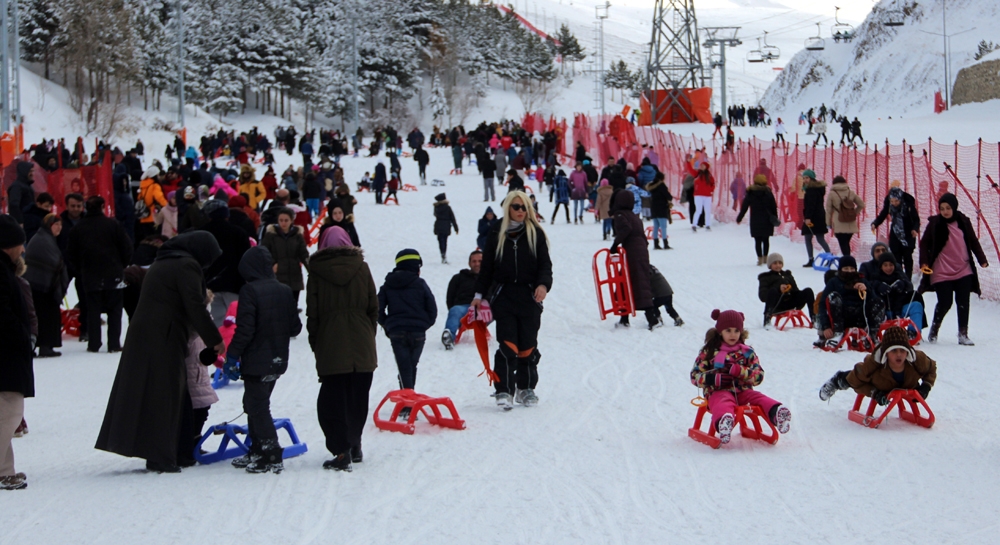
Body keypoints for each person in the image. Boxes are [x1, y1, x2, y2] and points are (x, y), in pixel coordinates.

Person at [95, 232, 226, 473]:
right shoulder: (186, 265)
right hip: (162, 337)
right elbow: (194, 305)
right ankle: (161, 456)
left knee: (164, 393)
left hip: (150, 335)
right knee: (164, 395)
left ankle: (178, 451)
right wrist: (215, 340)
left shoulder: (166, 261)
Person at [472, 191, 552, 410]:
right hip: (504, 296)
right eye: (516, 206)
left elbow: (545, 265)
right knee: (508, 344)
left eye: (524, 207)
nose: (520, 211)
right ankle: (503, 389)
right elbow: (486, 267)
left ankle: (526, 388)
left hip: (529, 297)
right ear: (508, 208)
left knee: (528, 346)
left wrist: (543, 285)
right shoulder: (497, 231)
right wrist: (479, 296)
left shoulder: (535, 232)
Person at [225, 246, 302, 474]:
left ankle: (271, 452)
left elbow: (245, 330)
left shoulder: (250, 291)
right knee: (253, 403)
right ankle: (257, 449)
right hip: (277, 359)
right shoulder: (285, 290)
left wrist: (232, 355)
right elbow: (295, 327)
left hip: (257, 359)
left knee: (258, 406)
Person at [308, 226, 378, 472]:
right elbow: (373, 306)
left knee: (331, 400)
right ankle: (354, 443)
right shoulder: (362, 267)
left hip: (331, 340)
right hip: (362, 341)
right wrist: (368, 333)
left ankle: (341, 450)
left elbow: (313, 313)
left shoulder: (316, 271)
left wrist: (316, 343)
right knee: (358, 397)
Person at [689, 309, 791, 444]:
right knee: (723, 401)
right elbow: (695, 375)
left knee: (758, 398)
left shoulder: (747, 352)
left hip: (743, 391)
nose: (733, 335)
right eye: (728, 330)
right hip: (717, 392)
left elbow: (758, 376)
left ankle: (777, 413)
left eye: (736, 331)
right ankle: (724, 423)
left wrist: (741, 372)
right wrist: (712, 379)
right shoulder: (709, 352)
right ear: (720, 331)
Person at [918, 193, 989, 345]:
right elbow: (924, 243)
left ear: (954, 207)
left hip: (963, 268)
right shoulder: (935, 223)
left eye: (948, 208)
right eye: (942, 208)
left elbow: (973, 241)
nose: (945, 211)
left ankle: (963, 334)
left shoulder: (963, 221)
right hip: (941, 269)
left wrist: (982, 259)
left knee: (963, 301)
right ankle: (934, 329)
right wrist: (924, 263)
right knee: (945, 302)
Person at [67, 196, 133, 353]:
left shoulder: (78, 228)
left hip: (90, 275)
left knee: (92, 310)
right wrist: (121, 265)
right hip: (113, 273)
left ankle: (94, 343)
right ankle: (114, 344)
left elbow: (71, 253)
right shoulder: (113, 225)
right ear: (102, 206)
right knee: (115, 311)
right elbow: (127, 247)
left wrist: (80, 269)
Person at [818, 326, 936, 404]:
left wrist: (926, 386)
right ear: (886, 353)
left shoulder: (917, 360)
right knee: (852, 378)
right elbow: (858, 384)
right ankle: (837, 380)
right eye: (894, 351)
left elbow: (931, 368)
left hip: (903, 384)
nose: (899, 355)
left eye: (902, 350)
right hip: (874, 382)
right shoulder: (873, 364)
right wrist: (874, 393)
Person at [378, 249, 437, 402]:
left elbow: (376, 308)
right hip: (418, 332)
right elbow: (432, 308)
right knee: (411, 366)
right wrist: (424, 324)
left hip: (397, 331)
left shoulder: (388, 284)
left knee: (404, 367)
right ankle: (409, 401)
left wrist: (387, 324)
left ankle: (407, 402)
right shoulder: (420, 283)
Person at [0, 215, 32, 490]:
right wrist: (24, 338)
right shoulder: (0, 272)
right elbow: (4, 316)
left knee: (6, 413)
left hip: (8, 354)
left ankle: (4, 471)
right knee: (8, 413)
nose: (22, 250)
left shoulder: (4, 269)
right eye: (19, 244)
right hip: (5, 356)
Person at [610, 190, 659, 330]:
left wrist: (615, 244)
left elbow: (626, 229)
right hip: (641, 250)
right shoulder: (634, 216)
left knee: (628, 282)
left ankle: (648, 317)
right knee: (636, 282)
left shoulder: (620, 215)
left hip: (632, 251)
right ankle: (627, 317)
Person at [199, 199, 252, 326]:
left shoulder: (201, 234)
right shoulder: (239, 232)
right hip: (235, 285)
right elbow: (247, 260)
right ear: (226, 214)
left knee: (216, 325)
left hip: (209, 286)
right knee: (236, 324)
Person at [22, 214, 68, 358]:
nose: (59, 228)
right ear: (49, 225)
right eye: (56, 225)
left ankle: (43, 345)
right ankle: (45, 346)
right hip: (42, 287)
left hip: (41, 285)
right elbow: (53, 262)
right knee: (45, 317)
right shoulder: (42, 239)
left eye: (61, 225)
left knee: (44, 316)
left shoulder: (45, 238)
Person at [815, 256, 885, 349]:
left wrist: (867, 290)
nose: (849, 271)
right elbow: (823, 304)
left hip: (860, 317)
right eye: (846, 268)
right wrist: (825, 326)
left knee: (878, 301)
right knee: (833, 297)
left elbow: (874, 300)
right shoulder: (834, 282)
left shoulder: (862, 281)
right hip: (841, 317)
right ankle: (838, 333)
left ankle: (872, 334)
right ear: (841, 269)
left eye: (852, 269)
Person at [261, 208, 309, 305]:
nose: (283, 223)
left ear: (291, 220)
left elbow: (303, 253)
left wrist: (311, 268)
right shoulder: (271, 235)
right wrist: (273, 263)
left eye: (286, 220)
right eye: (281, 220)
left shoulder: (297, 235)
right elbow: (264, 252)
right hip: (277, 276)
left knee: (293, 305)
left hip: (294, 275)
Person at [871, 186, 920, 277]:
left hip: (908, 235)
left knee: (907, 257)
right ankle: (899, 276)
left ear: (900, 199)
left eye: (896, 201)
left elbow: (916, 219)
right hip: (895, 233)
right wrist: (875, 223)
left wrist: (914, 229)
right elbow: (883, 214)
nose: (894, 203)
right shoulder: (890, 205)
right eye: (892, 201)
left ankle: (908, 278)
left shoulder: (908, 205)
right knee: (896, 257)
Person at [869, 251, 924, 331]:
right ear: (881, 266)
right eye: (885, 265)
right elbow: (868, 287)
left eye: (891, 265)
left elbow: (910, 287)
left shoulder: (899, 276)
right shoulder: (875, 277)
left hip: (899, 309)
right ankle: (873, 333)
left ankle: (913, 332)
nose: (888, 268)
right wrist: (878, 286)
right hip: (882, 312)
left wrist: (903, 284)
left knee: (916, 305)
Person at [758, 253, 815, 327]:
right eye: (775, 263)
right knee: (772, 291)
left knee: (808, 291)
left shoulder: (787, 275)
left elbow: (796, 291)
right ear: (770, 265)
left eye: (780, 263)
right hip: (777, 304)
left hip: (791, 302)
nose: (778, 265)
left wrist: (790, 288)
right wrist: (779, 289)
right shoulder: (765, 277)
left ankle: (815, 319)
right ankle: (767, 319)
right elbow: (763, 296)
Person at [442, 250, 481, 349]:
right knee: (455, 310)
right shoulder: (458, 278)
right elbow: (450, 297)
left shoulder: (491, 278)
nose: (477, 264)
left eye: (480, 261)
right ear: (469, 263)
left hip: (483, 308)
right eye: (474, 261)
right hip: (464, 307)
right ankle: (449, 336)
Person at [736, 174, 778, 265]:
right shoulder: (768, 193)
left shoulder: (750, 193)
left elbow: (744, 207)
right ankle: (765, 258)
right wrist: (775, 218)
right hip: (767, 220)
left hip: (755, 220)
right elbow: (774, 206)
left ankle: (759, 259)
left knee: (757, 240)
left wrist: (739, 218)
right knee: (766, 239)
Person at [826, 175, 865, 257]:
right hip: (851, 221)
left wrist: (828, 223)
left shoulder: (832, 194)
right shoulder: (851, 192)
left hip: (839, 222)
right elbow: (861, 204)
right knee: (846, 243)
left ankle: (847, 261)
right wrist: (854, 212)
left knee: (843, 244)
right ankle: (848, 260)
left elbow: (829, 210)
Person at [800, 169, 832, 266]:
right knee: (817, 238)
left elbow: (811, 205)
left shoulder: (811, 190)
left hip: (814, 217)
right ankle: (828, 257)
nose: (805, 180)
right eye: (804, 178)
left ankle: (812, 259)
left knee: (812, 238)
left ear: (812, 178)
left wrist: (808, 217)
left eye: (807, 178)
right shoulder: (817, 189)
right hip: (820, 216)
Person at [136, 166, 168, 243]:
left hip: (143, 217)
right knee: (156, 239)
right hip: (154, 217)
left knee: (147, 239)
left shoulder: (143, 186)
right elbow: (160, 198)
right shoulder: (155, 186)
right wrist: (168, 206)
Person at [433, 193, 458, 264]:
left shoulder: (436, 207)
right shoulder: (448, 207)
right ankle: (444, 254)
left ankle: (442, 253)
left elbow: (435, 215)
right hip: (446, 226)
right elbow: (452, 218)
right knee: (445, 241)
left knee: (440, 241)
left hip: (438, 225)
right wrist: (456, 228)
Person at [691, 161, 715, 232]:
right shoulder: (697, 174)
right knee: (698, 210)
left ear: (706, 167)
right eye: (701, 165)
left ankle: (707, 225)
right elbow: (691, 171)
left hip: (707, 196)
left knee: (707, 211)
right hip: (698, 195)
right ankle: (694, 225)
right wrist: (687, 163)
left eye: (703, 165)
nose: (702, 167)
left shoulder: (709, 176)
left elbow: (713, 184)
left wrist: (710, 190)